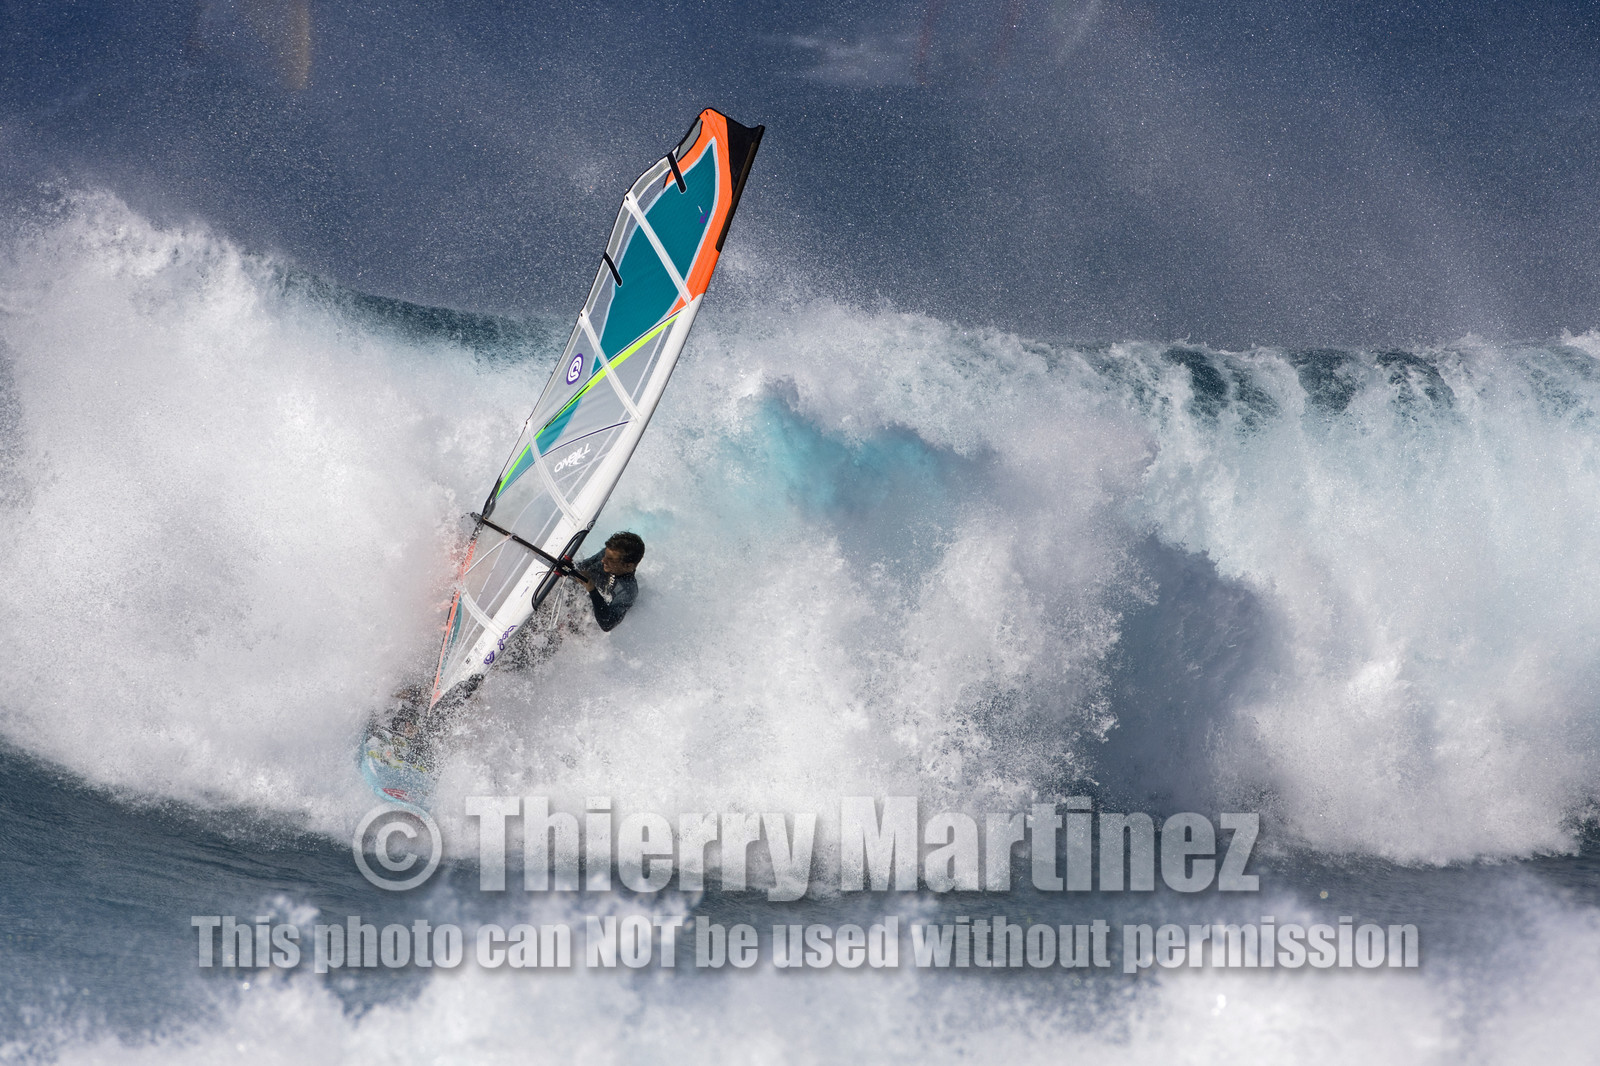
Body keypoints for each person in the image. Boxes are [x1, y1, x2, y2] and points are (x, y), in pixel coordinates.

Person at [566, 531, 643, 632]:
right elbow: (580, 566)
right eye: (605, 555)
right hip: (573, 601)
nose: (603, 560)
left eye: (610, 559)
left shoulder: (628, 591)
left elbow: (607, 624)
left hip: (587, 625)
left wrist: (592, 590)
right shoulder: (607, 555)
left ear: (628, 565)